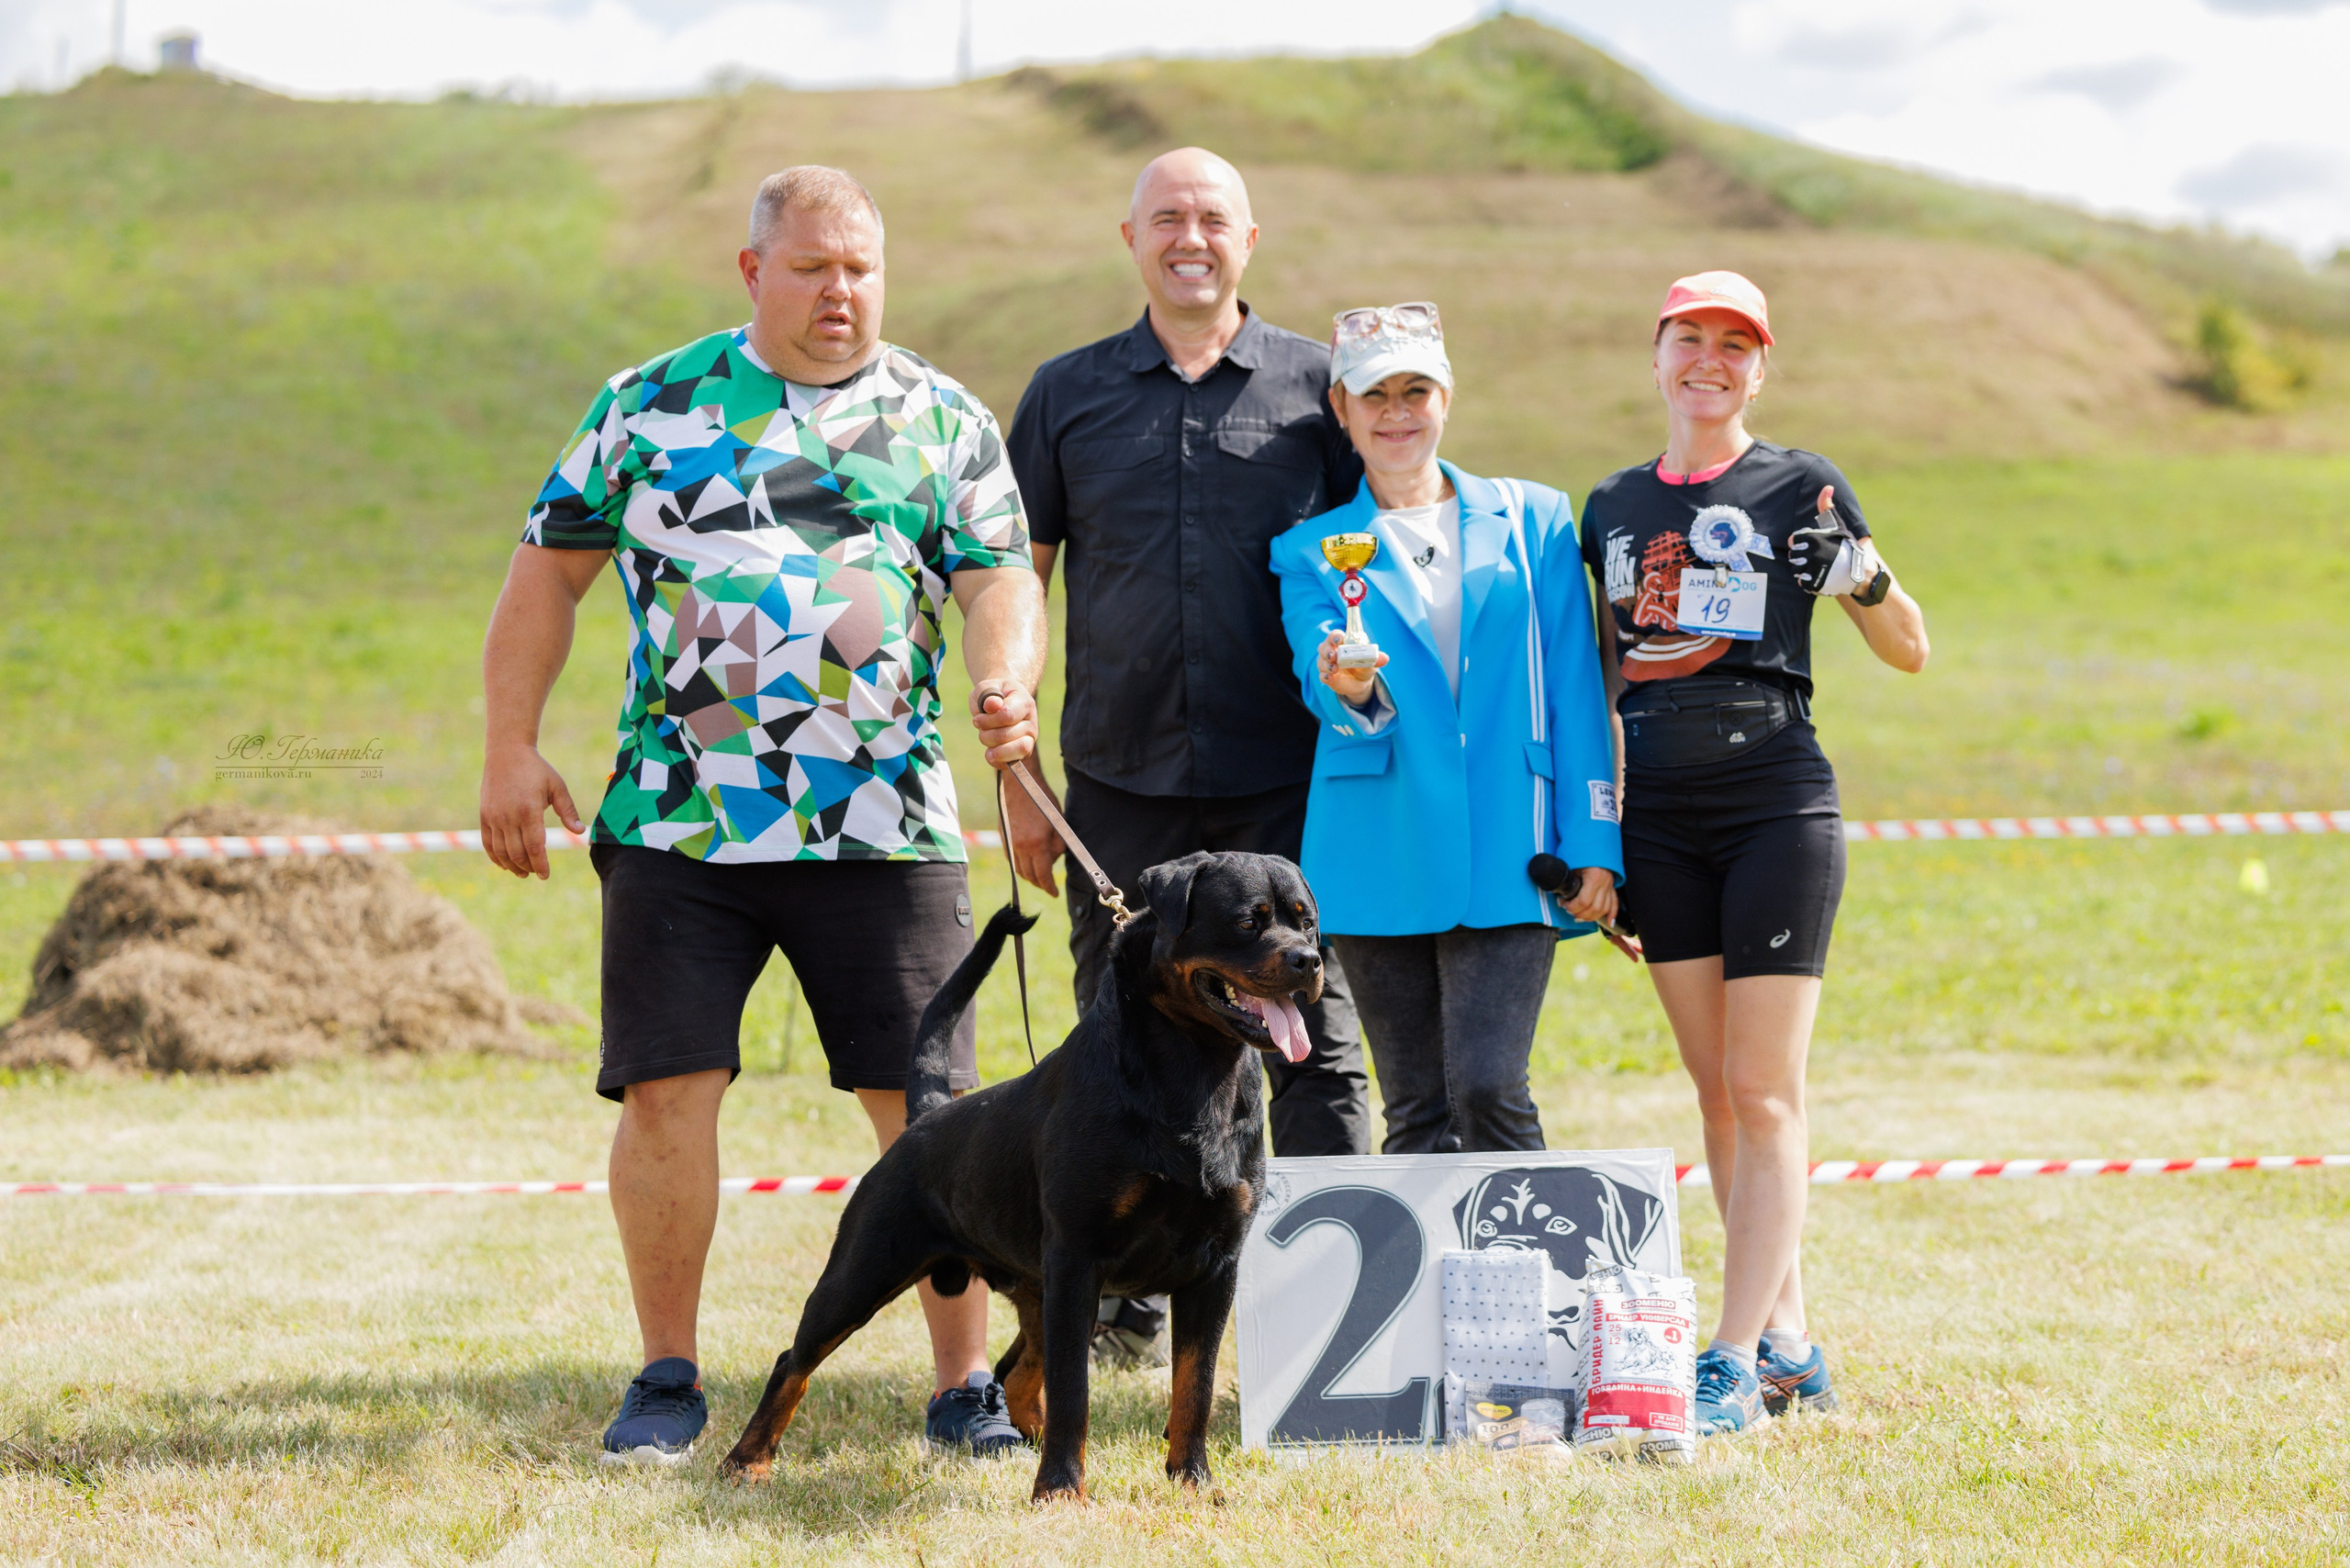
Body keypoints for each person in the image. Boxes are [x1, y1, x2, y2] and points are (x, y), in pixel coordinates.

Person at [478, 165, 1049, 1466]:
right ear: (753, 273)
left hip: (883, 827)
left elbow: (999, 577)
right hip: (683, 827)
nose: (839, 293)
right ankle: (668, 1378)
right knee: (669, 1095)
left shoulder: (940, 417)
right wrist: (511, 747)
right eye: (811, 268)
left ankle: (962, 1389)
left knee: (931, 1109)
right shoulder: (647, 405)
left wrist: (1005, 677)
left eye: (859, 269)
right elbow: (545, 580)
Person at [1003, 148, 1373, 1362]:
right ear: (1131, 239)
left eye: (1213, 218)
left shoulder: (1326, 390)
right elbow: (1021, 581)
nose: (1190, 239)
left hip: (1289, 779)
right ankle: (1122, 1303)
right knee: (1119, 1042)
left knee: (1312, 1035)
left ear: (1250, 240)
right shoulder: (1064, 395)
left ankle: (1328, 1303)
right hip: (1116, 783)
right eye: (1167, 219)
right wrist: (1019, 775)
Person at [1581, 271, 1930, 1433]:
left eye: (1735, 346)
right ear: (1657, 352)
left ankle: (1726, 1356)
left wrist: (1858, 569)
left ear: (1759, 367)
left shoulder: (1801, 484)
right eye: (1690, 339)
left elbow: (1908, 647)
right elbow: (1601, 673)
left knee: (1764, 1089)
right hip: (1657, 816)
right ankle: (1787, 1343)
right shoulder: (1613, 506)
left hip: (1774, 798)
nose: (1709, 362)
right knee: (1715, 1097)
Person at [1269, 301, 1623, 1154]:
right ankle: (1429, 1290)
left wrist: (1599, 841)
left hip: (1518, 841)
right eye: (1375, 395)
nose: (1397, 412)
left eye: (1415, 390)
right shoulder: (1309, 549)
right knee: (1418, 1109)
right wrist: (1346, 685)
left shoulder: (1537, 518)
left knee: (1491, 1086)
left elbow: (1577, 689)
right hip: (1373, 848)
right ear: (1341, 411)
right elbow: (1324, 682)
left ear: (1447, 397)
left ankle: (1532, 1284)